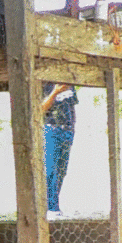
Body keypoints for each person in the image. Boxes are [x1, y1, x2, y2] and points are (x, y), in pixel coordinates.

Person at [41, 81, 78, 217]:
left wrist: (72, 128)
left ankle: (51, 205)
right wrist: (55, 92)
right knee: (50, 170)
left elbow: (72, 106)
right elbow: (40, 109)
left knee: (62, 171)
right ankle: (52, 209)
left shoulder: (69, 83)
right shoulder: (44, 84)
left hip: (68, 131)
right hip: (51, 129)